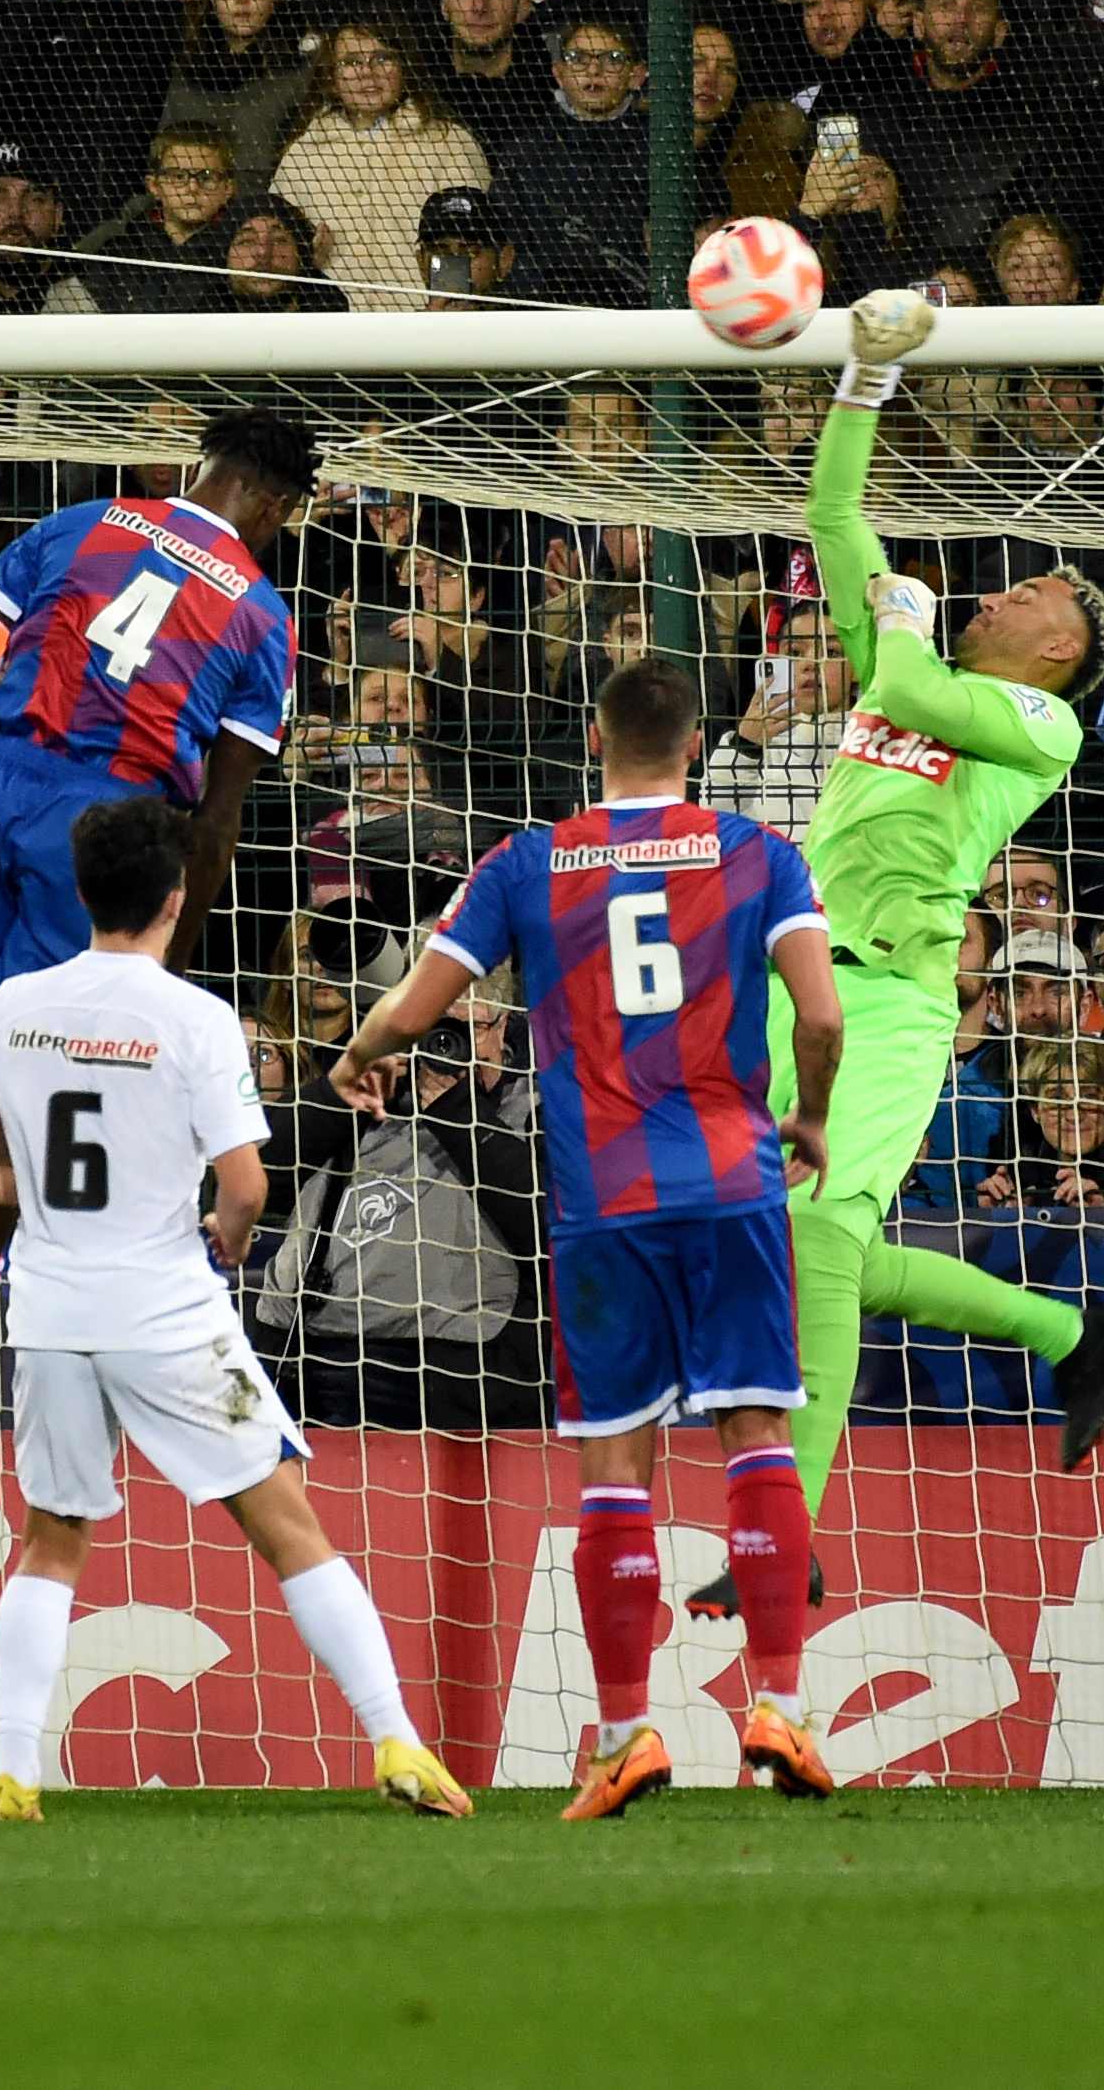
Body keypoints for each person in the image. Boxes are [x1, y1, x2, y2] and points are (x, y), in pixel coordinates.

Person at [685, 286, 1104, 1620]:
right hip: (790, 977)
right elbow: (833, 521)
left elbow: (907, 688)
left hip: (890, 999)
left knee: (815, 1226)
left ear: (1065, 649)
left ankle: (785, 1535)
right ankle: (1069, 1330)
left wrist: (905, 611)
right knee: (788, 1236)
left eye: (1039, 587)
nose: (1005, 587)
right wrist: (862, 380)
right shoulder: (914, 659)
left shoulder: (1037, 729)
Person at [330, 655, 849, 1814]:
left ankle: (624, 1731)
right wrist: (808, 1115)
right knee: (758, 1429)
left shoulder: (529, 860)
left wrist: (360, 1056)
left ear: (592, 736)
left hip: (602, 1199)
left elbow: (419, 1006)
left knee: (615, 1459)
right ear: (700, 739)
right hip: (733, 1184)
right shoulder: (759, 852)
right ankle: (780, 1703)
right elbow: (820, 1010)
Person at [0, 793, 473, 1824]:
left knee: (51, 1536)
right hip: (166, 1310)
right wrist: (234, 1234)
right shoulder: (197, 1018)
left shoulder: (9, 1005)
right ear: (173, 898)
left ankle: (13, 1771)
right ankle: (397, 1740)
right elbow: (243, 1182)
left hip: (54, 1312)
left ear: (81, 892)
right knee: (286, 1516)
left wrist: (26, 1191)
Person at [0, 411, 319, 1431]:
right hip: (99, 823)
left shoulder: (77, 524)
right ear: (274, 506)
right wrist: (164, 968)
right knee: (25, 1101)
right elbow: (218, 819)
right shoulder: (263, 617)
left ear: (203, 469)